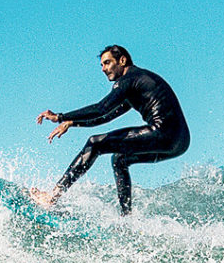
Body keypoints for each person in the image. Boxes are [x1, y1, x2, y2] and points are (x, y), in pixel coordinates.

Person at [35, 46, 189, 214]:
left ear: (122, 60)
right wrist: (72, 122)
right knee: (119, 159)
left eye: (107, 63)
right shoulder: (136, 83)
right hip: (180, 142)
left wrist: (60, 117)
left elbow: (101, 108)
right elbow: (106, 116)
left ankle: (53, 197)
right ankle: (126, 217)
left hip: (163, 133)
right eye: (101, 65)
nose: (103, 69)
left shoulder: (129, 79)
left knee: (94, 143)